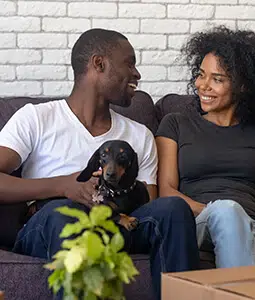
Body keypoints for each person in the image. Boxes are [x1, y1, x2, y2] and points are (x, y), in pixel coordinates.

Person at [0, 28, 201, 299]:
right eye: (129, 63)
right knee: (65, 212)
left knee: (174, 209)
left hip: (115, 224)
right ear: (99, 63)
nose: (137, 74)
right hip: (50, 227)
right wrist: (63, 186)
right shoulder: (36, 118)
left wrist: (108, 203)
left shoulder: (139, 134)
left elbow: (149, 203)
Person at [156, 26, 255, 269]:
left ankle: (252, 244)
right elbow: (167, 192)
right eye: (201, 75)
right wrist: (219, 211)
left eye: (217, 79)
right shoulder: (176, 123)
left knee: (239, 220)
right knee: (228, 211)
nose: (203, 86)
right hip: (201, 221)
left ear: (243, 86)